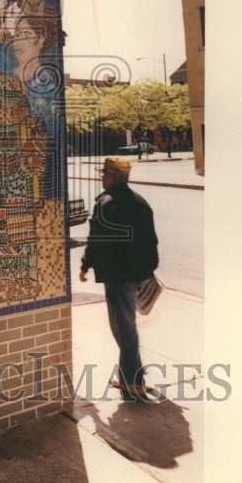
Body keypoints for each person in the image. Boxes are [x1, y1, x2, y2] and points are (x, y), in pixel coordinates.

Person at [79, 157, 160, 402]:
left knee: (123, 329)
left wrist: (85, 265)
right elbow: (151, 241)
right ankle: (131, 373)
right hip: (136, 274)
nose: (101, 176)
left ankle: (133, 383)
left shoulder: (106, 203)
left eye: (104, 172)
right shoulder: (140, 201)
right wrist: (148, 270)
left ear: (113, 176)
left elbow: (96, 240)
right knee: (127, 327)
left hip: (117, 277)